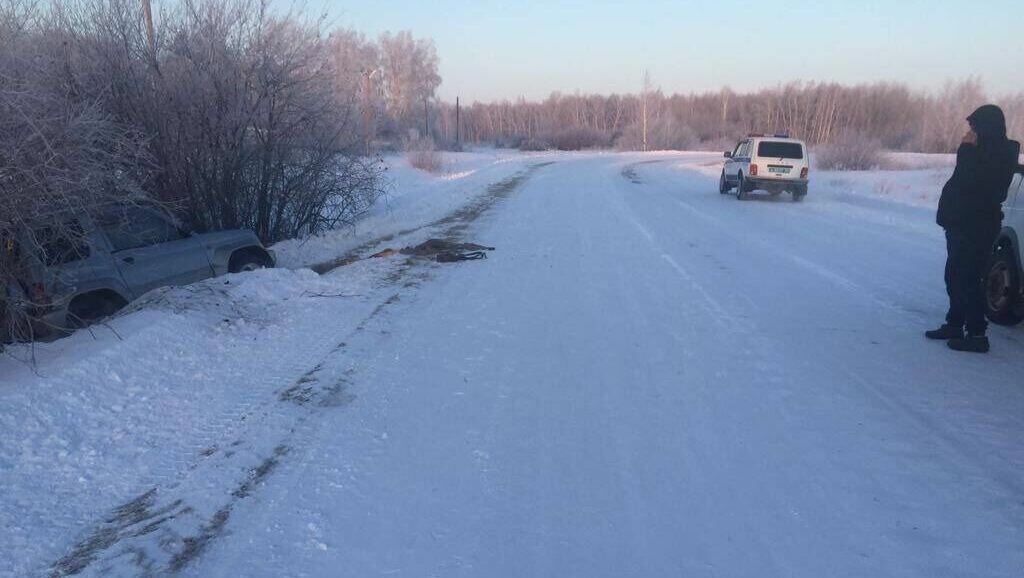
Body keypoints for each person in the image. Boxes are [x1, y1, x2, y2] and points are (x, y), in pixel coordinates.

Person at [927, 105, 1021, 353]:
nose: (970, 132)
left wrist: (966, 150)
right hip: (963, 222)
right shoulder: (985, 151)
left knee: (968, 278)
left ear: (987, 128)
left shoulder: (997, 153)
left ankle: (977, 334)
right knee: (956, 275)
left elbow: (972, 181)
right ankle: (955, 323)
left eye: (974, 127)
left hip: (976, 224)